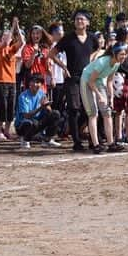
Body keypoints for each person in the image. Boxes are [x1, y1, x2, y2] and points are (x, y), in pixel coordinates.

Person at [54, 10, 101, 152]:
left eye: (82, 19)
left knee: (89, 110)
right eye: (77, 19)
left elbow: (98, 50)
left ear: (87, 22)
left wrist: (92, 62)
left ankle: (94, 141)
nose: (79, 21)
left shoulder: (93, 38)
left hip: (87, 79)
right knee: (73, 109)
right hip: (72, 79)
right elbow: (52, 54)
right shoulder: (68, 38)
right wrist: (63, 67)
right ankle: (76, 141)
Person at [81, 43, 128, 154]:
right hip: (87, 80)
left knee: (107, 112)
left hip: (98, 81)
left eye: (125, 54)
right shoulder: (103, 62)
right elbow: (91, 81)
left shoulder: (116, 64)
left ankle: (111, 143)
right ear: (114, 54)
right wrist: (99, 95)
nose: (124, 56)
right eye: (121, 54)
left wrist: (110, 97)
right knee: (93, 113)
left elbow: (109, 81)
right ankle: (96, 145)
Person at [0, 18, 24, 142]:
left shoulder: (12, 50)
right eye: (5, 36)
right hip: (1, 81)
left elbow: (21, 41)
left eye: (9, 36)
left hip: (12, 81)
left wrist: (17, 27)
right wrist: (12, 27)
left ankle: (6, 131)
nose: (7, 38)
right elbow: (5, 43)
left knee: (11, 106)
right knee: (2, 106)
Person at [15, 74, 62, 147]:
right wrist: (40, 107)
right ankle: (25, 139)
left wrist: (47, 107)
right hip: (24, 123)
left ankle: (47, 140)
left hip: (37, 122)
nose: (35, 84)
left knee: (55, 114)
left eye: (37, 82)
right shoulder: (23, 96)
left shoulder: (42, 94)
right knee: (29, 123)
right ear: (29, 83)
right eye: (32, 82)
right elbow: (26, 115)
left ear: (41, 84)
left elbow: (49, 111)